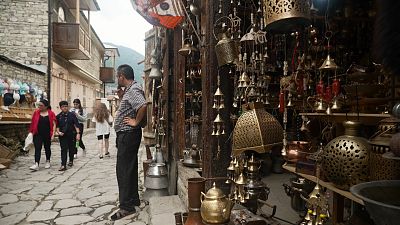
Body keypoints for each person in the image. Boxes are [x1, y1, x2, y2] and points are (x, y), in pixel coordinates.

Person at [111, 64, 147, 220]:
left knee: (123, 170)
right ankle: (133, 199)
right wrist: (121, 98)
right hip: (127, 135)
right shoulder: (129, 91)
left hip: (128, 134)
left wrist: (136, 122)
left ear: (121, 76)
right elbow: (131, 108)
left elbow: (143, 106)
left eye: (117, 76)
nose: (117, 79)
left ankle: (126, 207)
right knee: (129, 168)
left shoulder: (133, 90)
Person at [28, 99, 56, 171]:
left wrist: (53, 134)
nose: (39, 106)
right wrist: (31, 132)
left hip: (47, 134)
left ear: (46, 106)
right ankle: (36, 163)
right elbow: (33, 123)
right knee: (37, 148)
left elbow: (54, 125)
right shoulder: (36, 113)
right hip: (38, 134)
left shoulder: (51, 113)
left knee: (47, 148)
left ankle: (48, 161)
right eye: (39, 105)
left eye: (41, 105)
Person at [56, 101, 80, 171]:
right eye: (63, 106)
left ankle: (71, 160)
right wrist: (58, 132)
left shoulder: (72, 115)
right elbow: (57, 126)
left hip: (71, 134)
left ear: (68, 107)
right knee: (63, 149)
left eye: (66, 106)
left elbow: (76, 124)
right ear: (60, 108)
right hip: (62, 136)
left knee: (71, 148)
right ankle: (63, 164)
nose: (65, 108)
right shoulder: (58, 116)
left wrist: (78, 134)